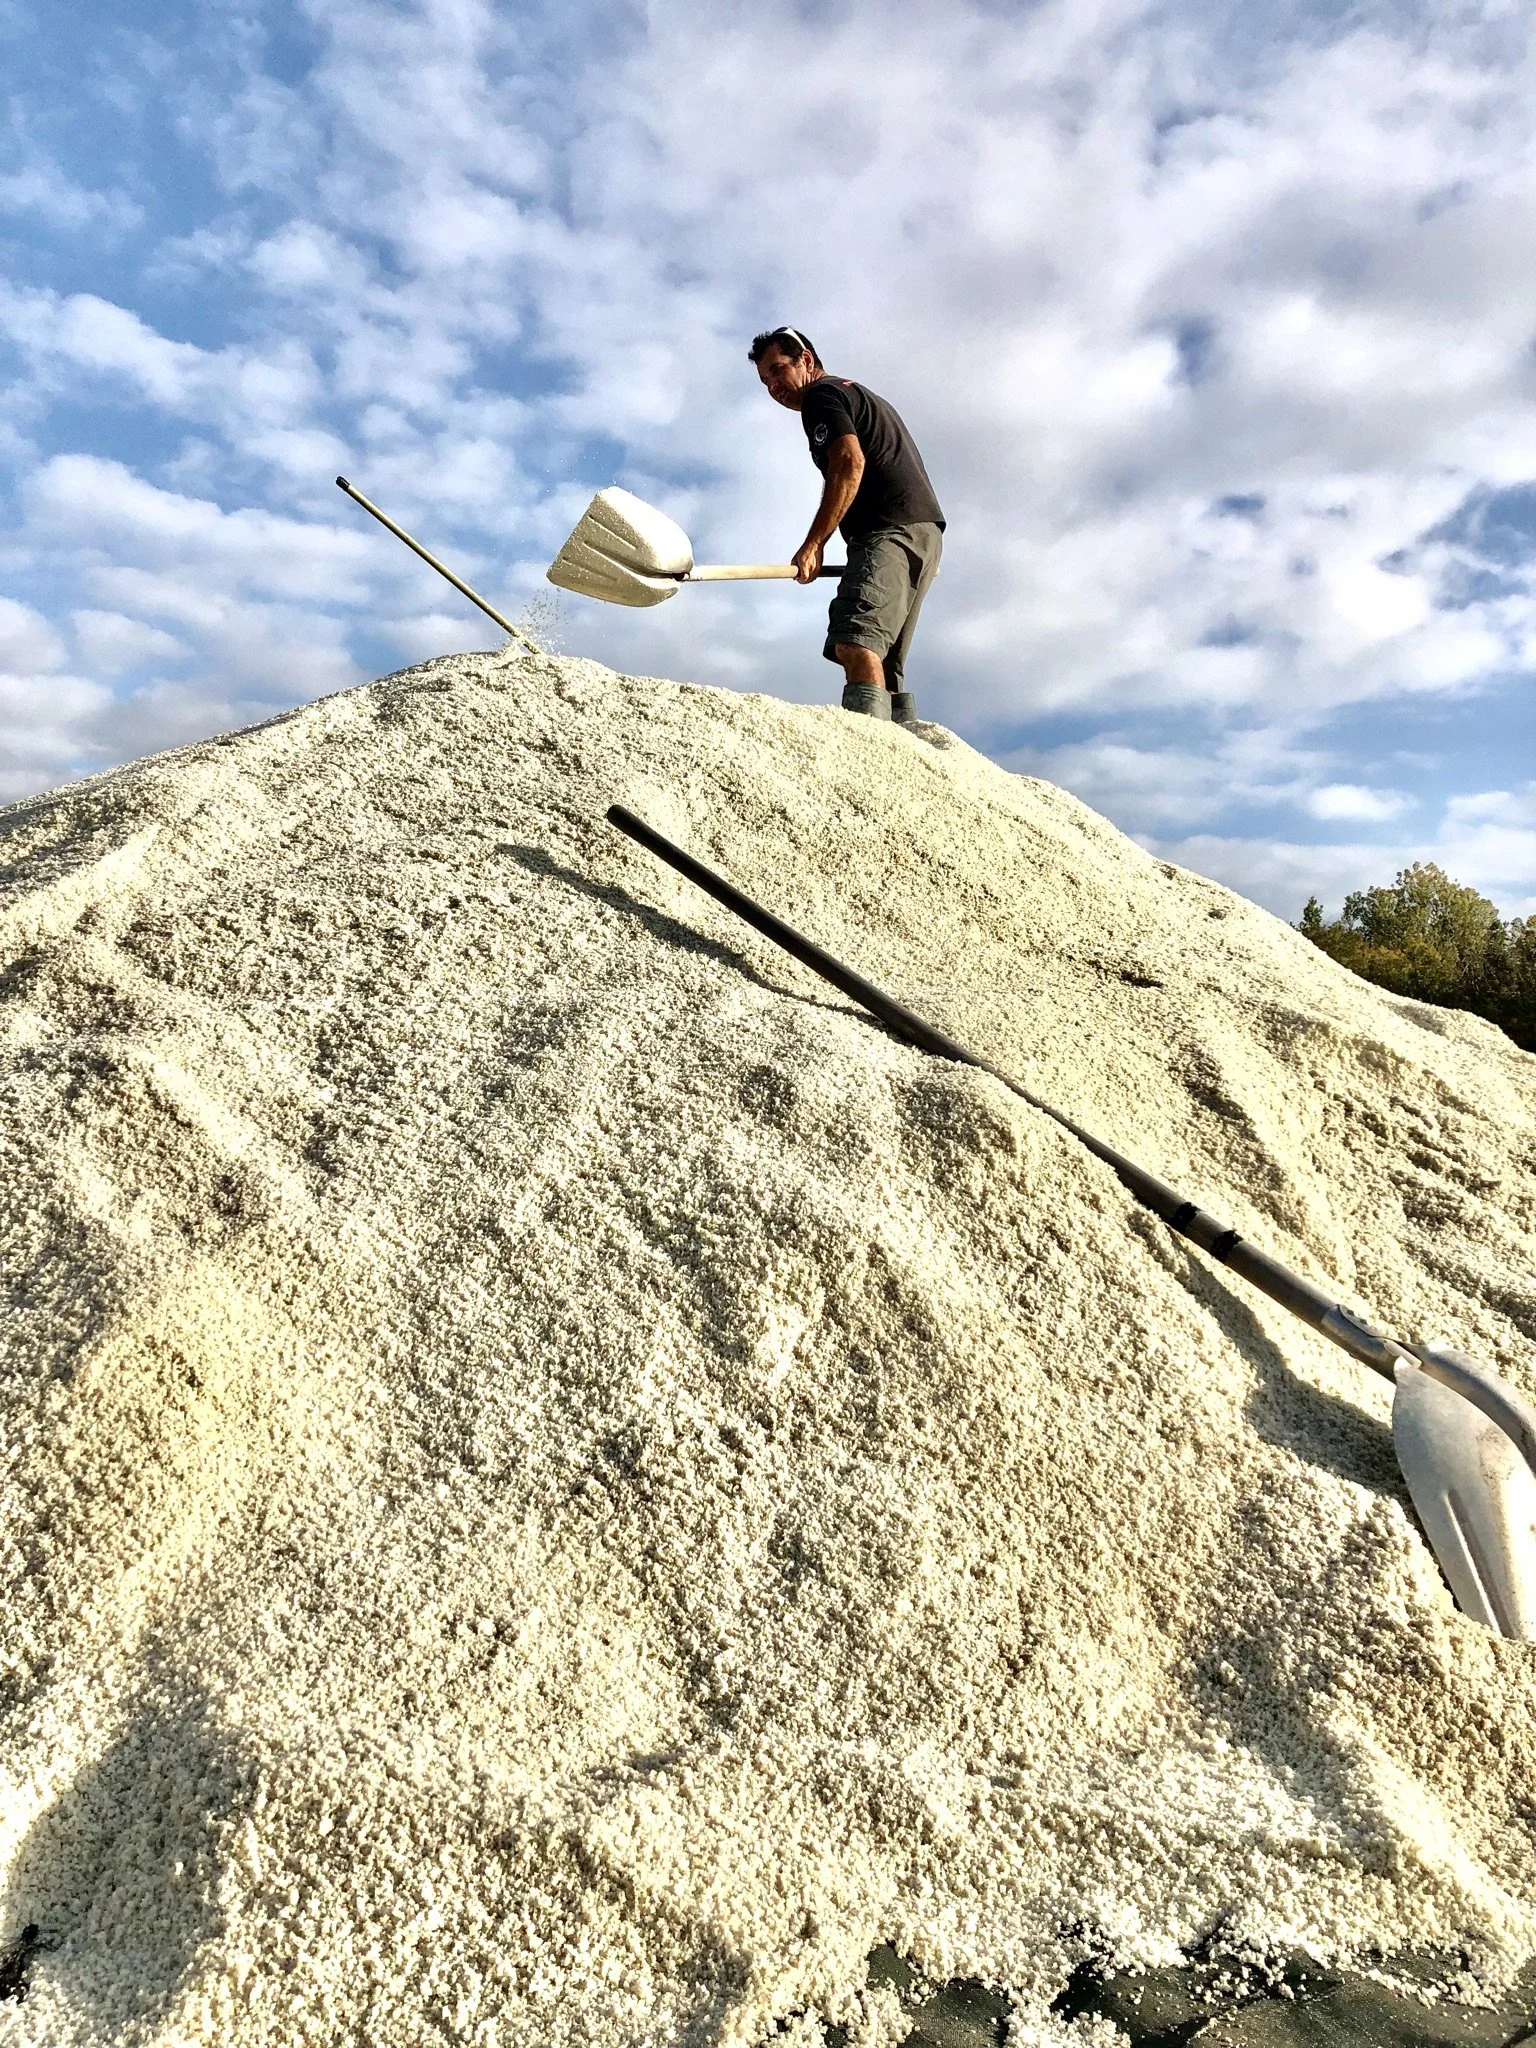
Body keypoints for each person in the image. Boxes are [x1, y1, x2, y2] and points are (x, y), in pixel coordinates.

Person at [750, 326, 944, 725]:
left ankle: (869, 760)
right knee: (884, 659)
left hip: (888, 531)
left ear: (805, 360)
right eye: (765, 381)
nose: (773, 387)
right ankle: (908, 760)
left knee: (856, 642)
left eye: (777, 370)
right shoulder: (856, 393)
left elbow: (849, 463)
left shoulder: (822, 395)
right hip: (921, 532)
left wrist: (814, 543)